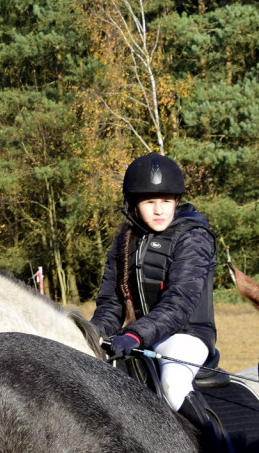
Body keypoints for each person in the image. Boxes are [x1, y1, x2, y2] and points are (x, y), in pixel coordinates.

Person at [90, 152, 221, 440]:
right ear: (134, 205)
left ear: (177, 201)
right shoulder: (126, 239)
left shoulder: (193, 237)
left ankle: (216, 445)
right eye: (150, 202)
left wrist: (135, 335)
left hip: (187, 335)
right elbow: (111, 304)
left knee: (172, 386)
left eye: (166, 201)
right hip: (141, 334)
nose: (160, 210)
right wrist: (92, 335)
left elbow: (179, 302)